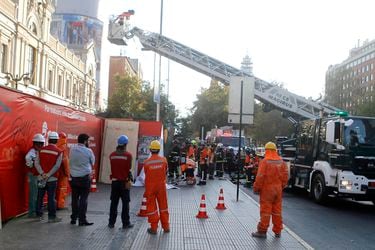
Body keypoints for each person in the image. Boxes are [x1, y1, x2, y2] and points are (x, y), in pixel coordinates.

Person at [251, 142, 288, 238]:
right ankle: (277, 231)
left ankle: (262, 231)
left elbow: (260, 176)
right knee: (277, 211)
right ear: (275, 150)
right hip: (278, 190)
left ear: (266, 150)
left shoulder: (265, 161)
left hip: (267, 190)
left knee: (265, 211)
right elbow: (285, 176)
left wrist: (256, 188)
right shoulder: (281, 161)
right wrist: (281, 186)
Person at [35, 131, 63, 223]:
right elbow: (57, 166)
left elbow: (36, 163)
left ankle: (39, 216)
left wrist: (42, 173)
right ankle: (52, 217)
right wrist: (48, 174)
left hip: (41, 178)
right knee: (51, 198)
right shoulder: (59, 152)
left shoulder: (41, 150)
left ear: (48, 139)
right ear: (57, 141)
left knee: (40, 197)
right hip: (52, 179)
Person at [143, 140, 170, 234]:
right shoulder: (164, 160)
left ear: (150, 150)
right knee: (163, 206)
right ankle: (166, 227)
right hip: (161, 186)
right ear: (159, 150)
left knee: (151, 207)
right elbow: (165, 171)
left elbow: (146, 173)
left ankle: (154, 228)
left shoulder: (146, 162)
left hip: (150, 187)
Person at [108, 135, 134, 229]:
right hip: (124, 183)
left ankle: (111, 223)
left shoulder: (112, 155)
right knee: (125, 204)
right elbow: (129, 167)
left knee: (113, 203)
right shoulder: (128, 155)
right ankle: (125, 223)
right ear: (125, 144)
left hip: (114, 182)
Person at [69, 133, 95, 226]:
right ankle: (82, 220)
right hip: (84, 178)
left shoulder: (72, 149)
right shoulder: (89, 151)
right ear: (85, 141)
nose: (89, 142)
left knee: (74, 199)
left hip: (73, 178)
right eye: (88, 141)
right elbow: (93, 162)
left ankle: (73, 218)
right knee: (83, 199)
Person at [25, 133, 45, 218]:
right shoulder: (32, 151)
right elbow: (27, 158)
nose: (41, 145)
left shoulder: (37, 151)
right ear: (35, 143)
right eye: (39, 143)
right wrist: (31, 165)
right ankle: (32, 212)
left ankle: (35, 211)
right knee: (34, 194)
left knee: (36, 194)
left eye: (41, 143)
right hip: (33, 175)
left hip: (36, 174)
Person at [56, 132, 70, 209]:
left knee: (55, 189)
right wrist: (67, 173)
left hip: (55, 172)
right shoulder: (63, 148)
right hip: (62, 172)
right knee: (62, 188)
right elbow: (65, 162)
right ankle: (60, 205)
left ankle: (55, 203)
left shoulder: (55, 146)